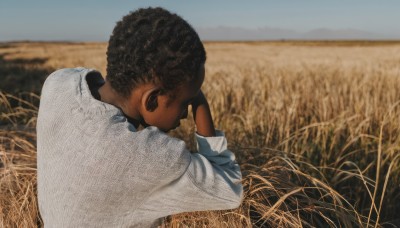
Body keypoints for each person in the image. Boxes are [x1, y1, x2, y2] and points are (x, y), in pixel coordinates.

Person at [36, 7, 243, 227]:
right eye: (186, 102)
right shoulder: (147, 156)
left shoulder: (58, 83)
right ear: (152, 100)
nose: (185, 113)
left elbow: (90, 79)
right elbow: (230, 187)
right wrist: (201, 102)